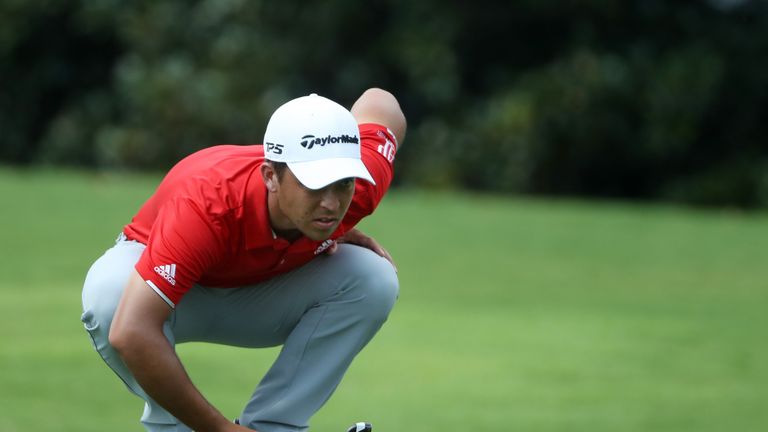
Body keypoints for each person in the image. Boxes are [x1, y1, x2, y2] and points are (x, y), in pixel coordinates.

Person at [81, 88, 406, 432]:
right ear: (270, 177)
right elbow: (132, 332)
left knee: (373, 276)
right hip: (176, 297)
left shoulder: (360, 185)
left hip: (257, 293)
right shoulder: (209, 203)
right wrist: (221, 429)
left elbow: (380, 101)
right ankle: (176, 428)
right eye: (314, 184)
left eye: (342, 184)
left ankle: (274, 427)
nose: (330, 203)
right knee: (112, 298)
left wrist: (329, 227)